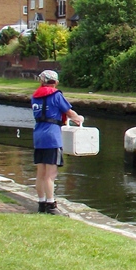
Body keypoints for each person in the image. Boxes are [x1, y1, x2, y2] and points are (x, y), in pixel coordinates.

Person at [31, 70, 83, 215]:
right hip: (52, 136)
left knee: (40, 173)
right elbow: (70, 113)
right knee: (50, 174)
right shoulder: (56, 95)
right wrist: (79, 119)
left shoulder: (34, 97)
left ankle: (41, 203)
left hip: (38, 135)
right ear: (56, 82)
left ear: (41, 82)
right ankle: (51, 205)